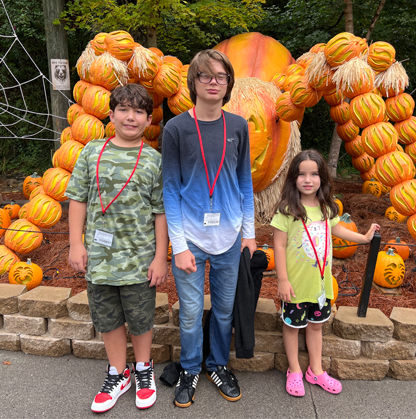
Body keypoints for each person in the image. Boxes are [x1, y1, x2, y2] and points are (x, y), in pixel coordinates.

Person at [162, 49, 256, 408]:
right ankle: (189, 369)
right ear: (194, 83)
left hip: (231, 236)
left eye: (221, 76)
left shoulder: (238, 126)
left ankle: (217, 364)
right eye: (206, 76)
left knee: (223, 309)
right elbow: (170, 190)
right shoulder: (176, 129)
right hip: (190, 238)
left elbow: (244, 181)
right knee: (188, 312)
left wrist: (248, 232)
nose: (214, 82)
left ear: (229, 83)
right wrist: (179, 245)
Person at [66, 83, 168, 413]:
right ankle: (117, 372)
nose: (130, 117)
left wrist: (159, 257)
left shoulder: (154, 160)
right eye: (123, 109)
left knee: (140, 319)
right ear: (111, 115)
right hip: (99, 258)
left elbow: (160, 211)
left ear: (148, 119)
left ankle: (142, 368)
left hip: (139, 258)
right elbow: (78, 198)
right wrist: (76, 244)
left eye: (138, 111)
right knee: (107, 318)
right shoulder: (91, 152)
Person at [271, 149, 379, 397]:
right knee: (292, 327)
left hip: (320, 286)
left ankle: (316, 370)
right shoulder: (287, 210)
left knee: (316, 327)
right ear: (293, 179)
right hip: (295, 286)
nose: (307, 180)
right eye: (301, 175)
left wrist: (363, 237)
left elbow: (338, 230)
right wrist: (283, 280)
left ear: (322, 178)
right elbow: (278, 245)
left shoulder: (326, 208)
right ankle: (295, 370)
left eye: (314, 174)